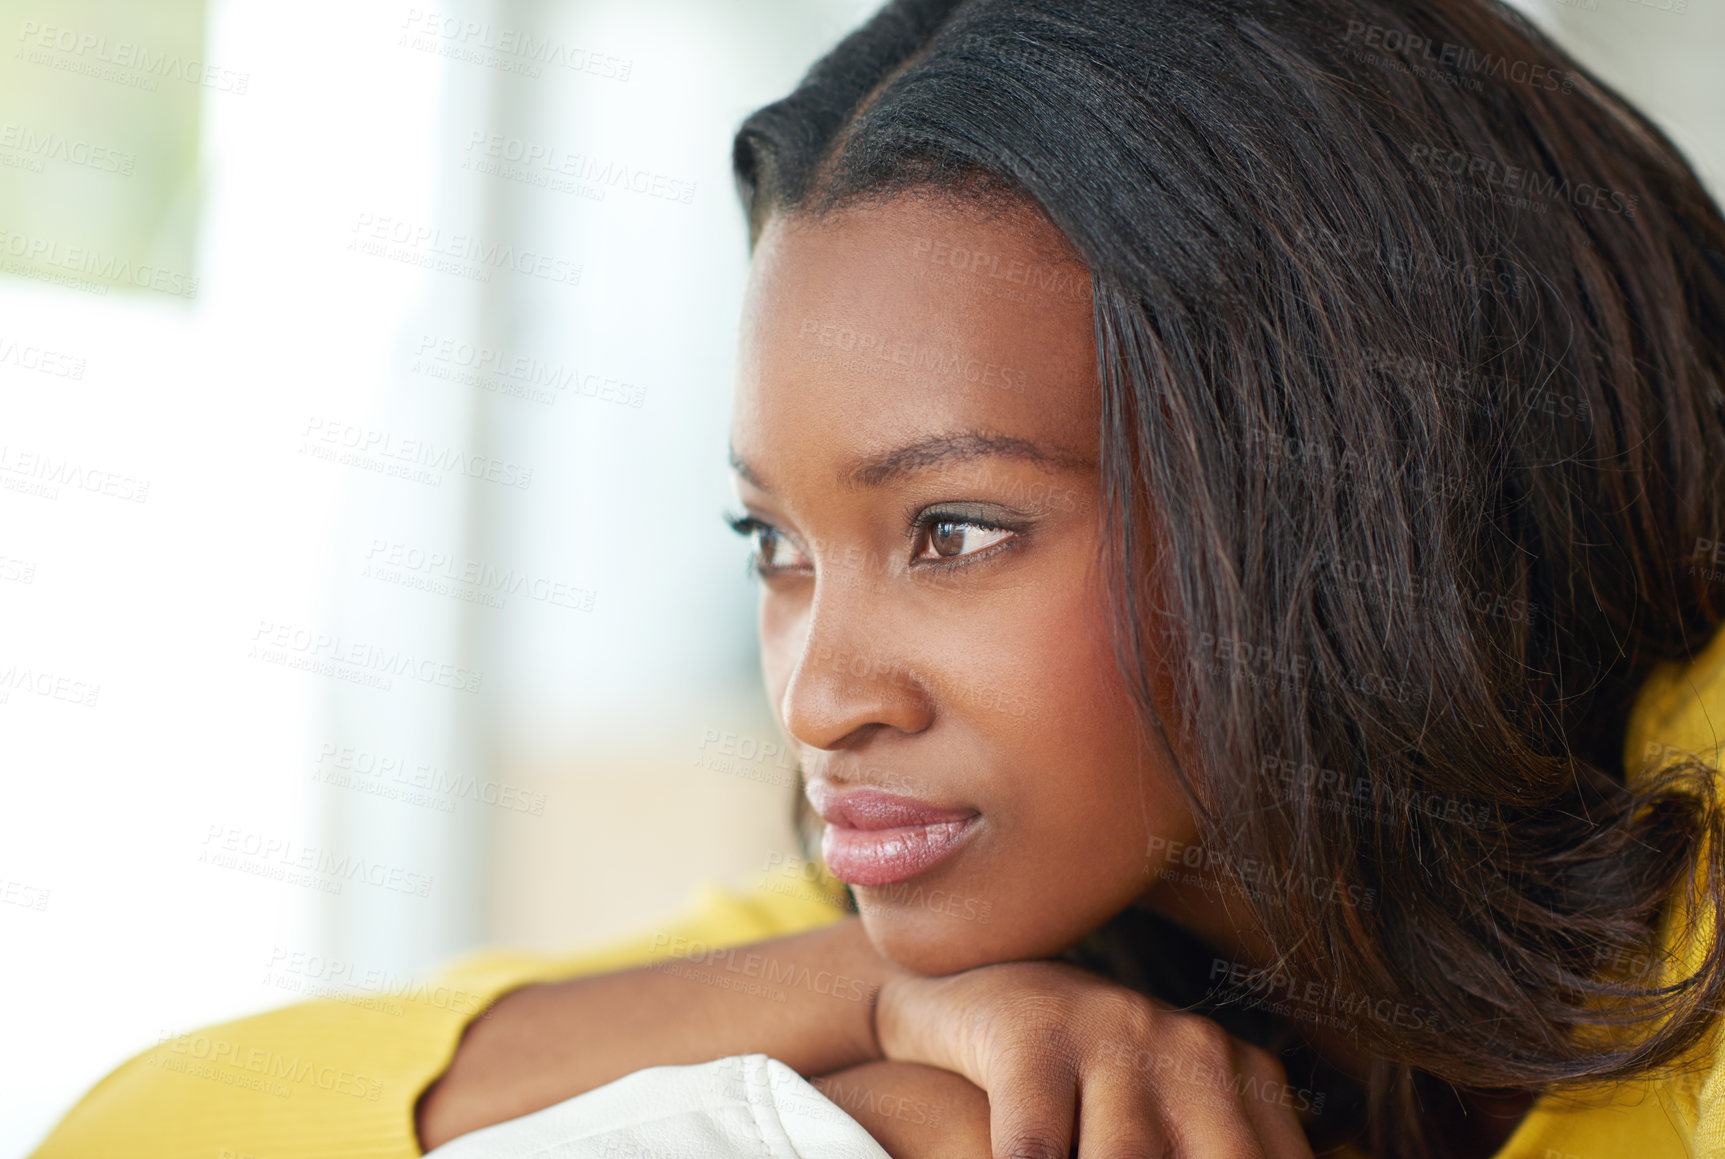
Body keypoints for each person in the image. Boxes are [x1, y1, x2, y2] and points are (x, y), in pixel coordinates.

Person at [30, 0, 1725, 1156]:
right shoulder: (1031, 930)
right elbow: (140, 1129)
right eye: (770, 543)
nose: (826, 695)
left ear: (1354, 472)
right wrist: (863, 1008)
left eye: (956, 531)